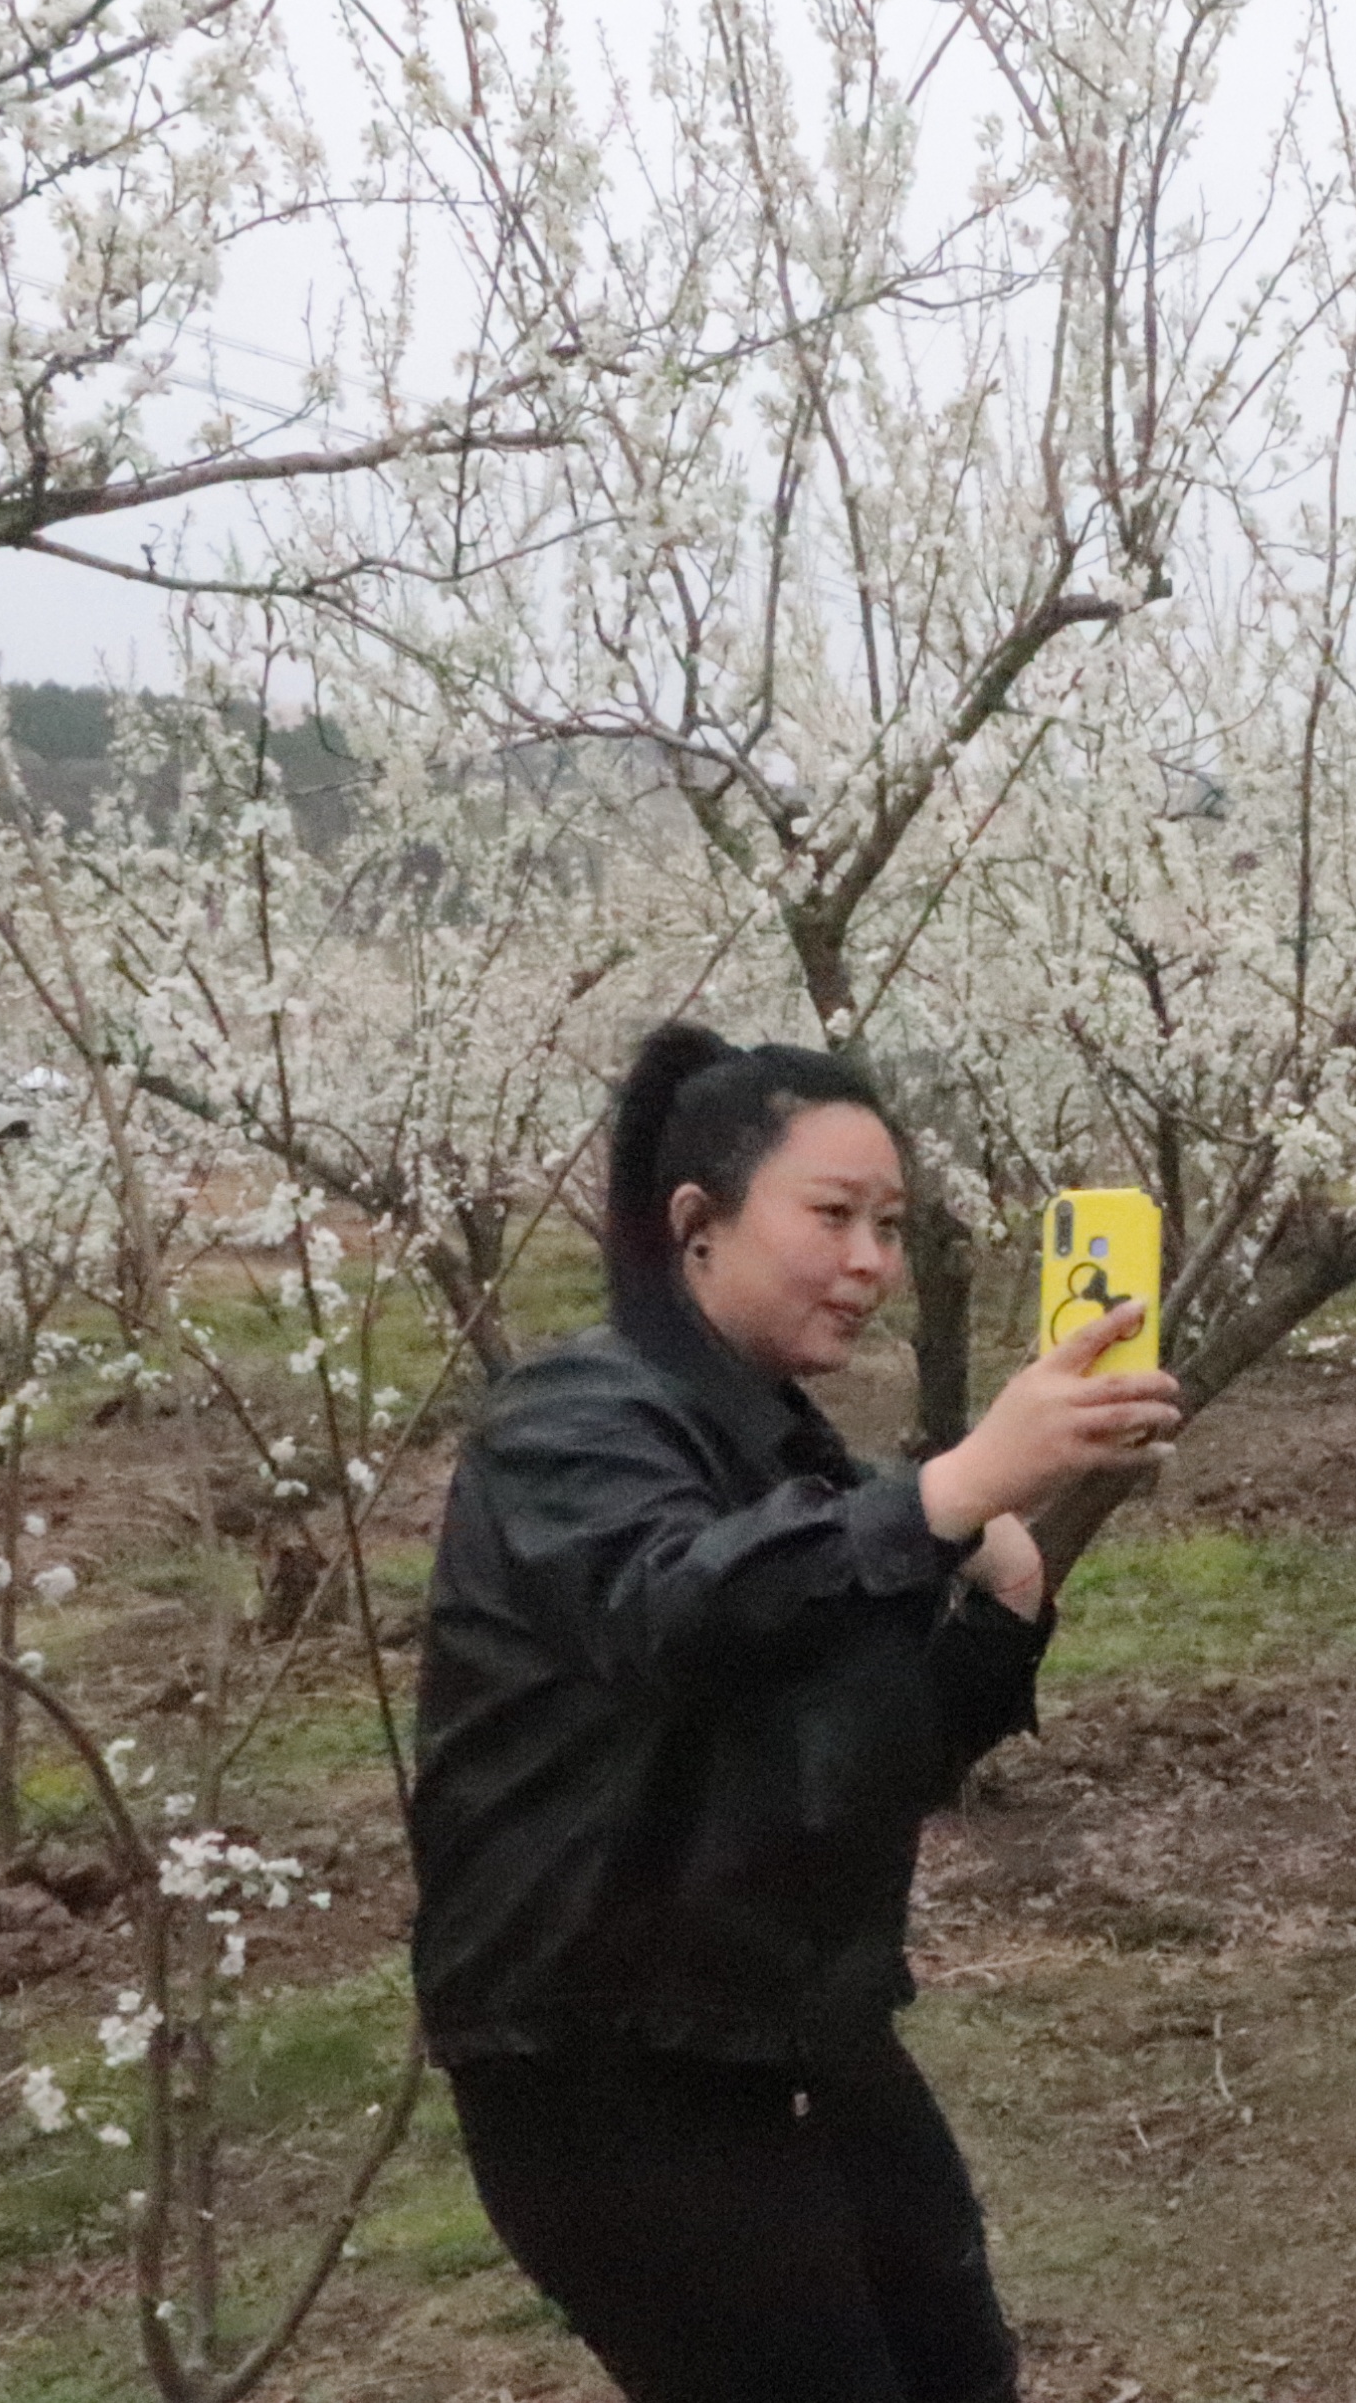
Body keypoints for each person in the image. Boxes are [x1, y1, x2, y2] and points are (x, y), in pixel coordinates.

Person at [407, 1025, 1182, 2402]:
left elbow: (861, 1761)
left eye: (888, 1224)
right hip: (607, 2062)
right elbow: (673, 1618)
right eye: (831, 1217)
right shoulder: (568, 1419)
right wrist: (940, 1496)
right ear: (695, 1225)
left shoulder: (793, 1452)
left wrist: (997, 1617)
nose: (872, 1263)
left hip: (793, 2030)